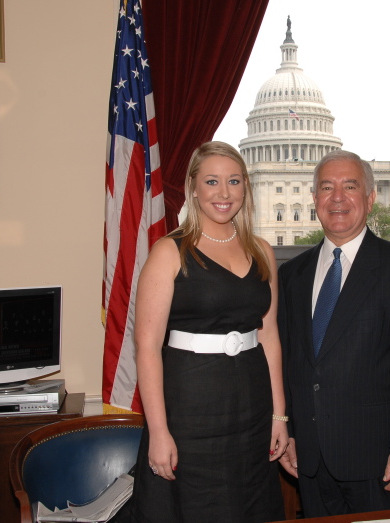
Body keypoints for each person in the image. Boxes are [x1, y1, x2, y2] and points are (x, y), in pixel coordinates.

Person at [123, 141, 287, 522]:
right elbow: (146, 349)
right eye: (212, 181)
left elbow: (269, 335)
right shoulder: (169, 252)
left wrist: (280, 415)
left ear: (246, 187)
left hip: (252, 408)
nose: (224, 193)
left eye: (233, 181)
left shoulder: (263, 251)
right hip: (190, 412)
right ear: (194, 187)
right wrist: (159, 432)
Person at [277, 149, 390, 517]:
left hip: (380, 461)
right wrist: (286, 431)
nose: (337, 198)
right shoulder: (292, 275)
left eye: (349, 186)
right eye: (326, 187)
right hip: (310, 459)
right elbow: (289, 363)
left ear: (369, 198)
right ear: (315, 199)